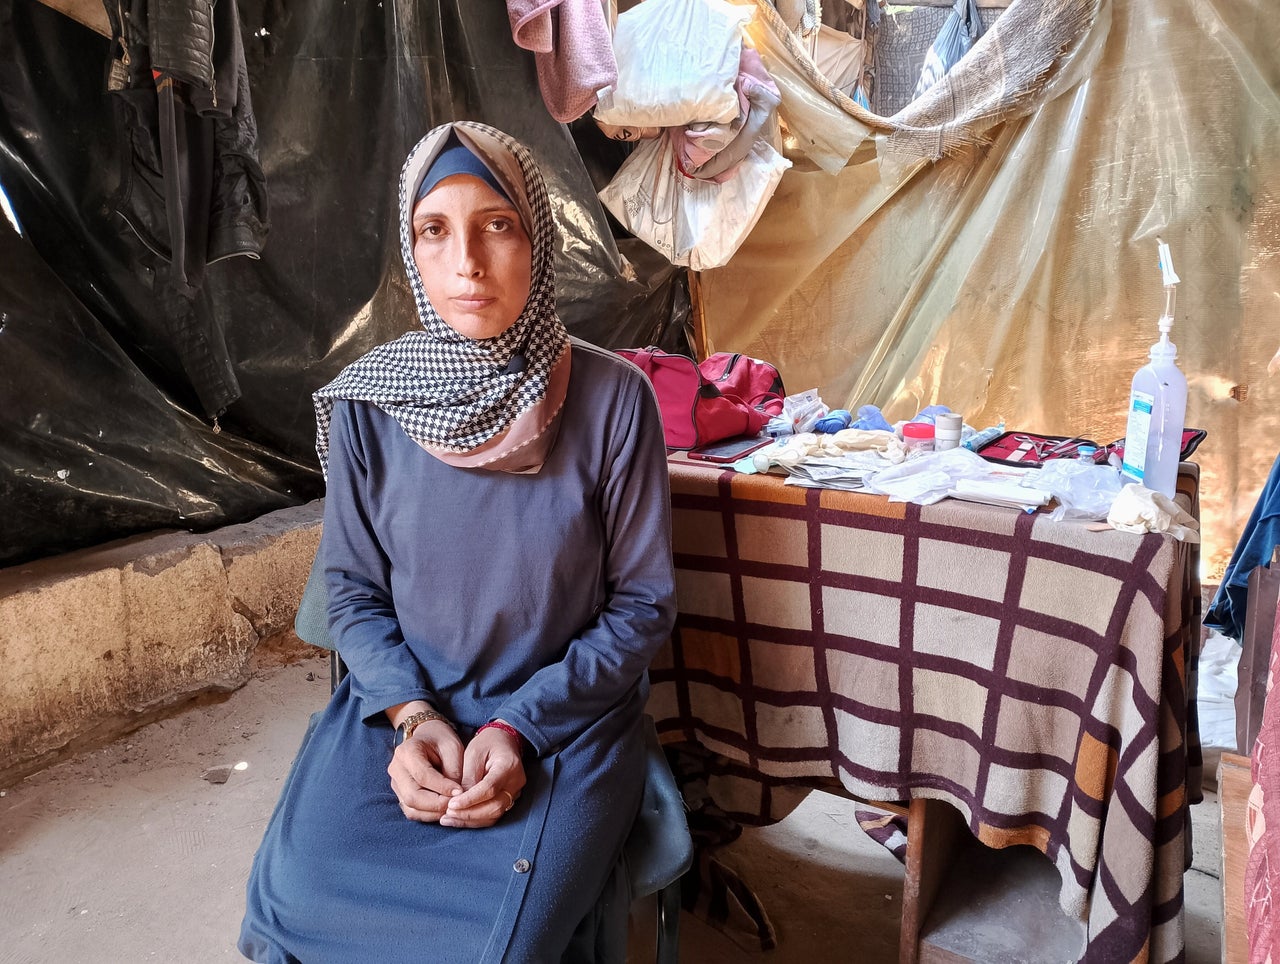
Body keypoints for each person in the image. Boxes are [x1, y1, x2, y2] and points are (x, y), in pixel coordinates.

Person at [239, 121, 677, 963]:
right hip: (404, 718)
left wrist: (518, 729)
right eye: (434, 230)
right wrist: (410, 718)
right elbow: (353, 594)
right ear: (411, 251)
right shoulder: (372, 404)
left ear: (538, 241)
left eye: (498, 225)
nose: (467, 262)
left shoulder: (616, 401)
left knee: (495, 949)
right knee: (288, 921)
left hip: (564, 724)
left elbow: (643, 606)